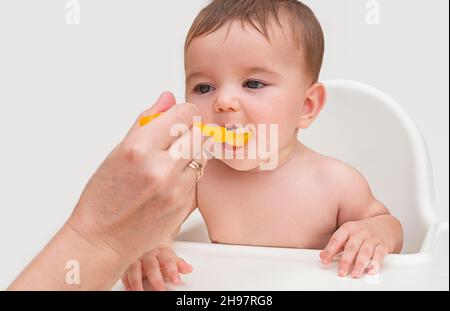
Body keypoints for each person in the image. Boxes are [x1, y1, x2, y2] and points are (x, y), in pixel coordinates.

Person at [121, 0, 404, 291]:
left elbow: (387, 224)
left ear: (306, 106)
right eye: (204, 88)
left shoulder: (335, 182)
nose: (224, 102)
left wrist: (375, 231)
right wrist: (154, 246)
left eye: (253, 84)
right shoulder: (199, 176)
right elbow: (158, 223)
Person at [8, 92, 207, 290]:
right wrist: (158, 245)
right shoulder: (197, 172)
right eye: (205, 88)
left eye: (241, 84)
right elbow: (165, 216)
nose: (225, 102)